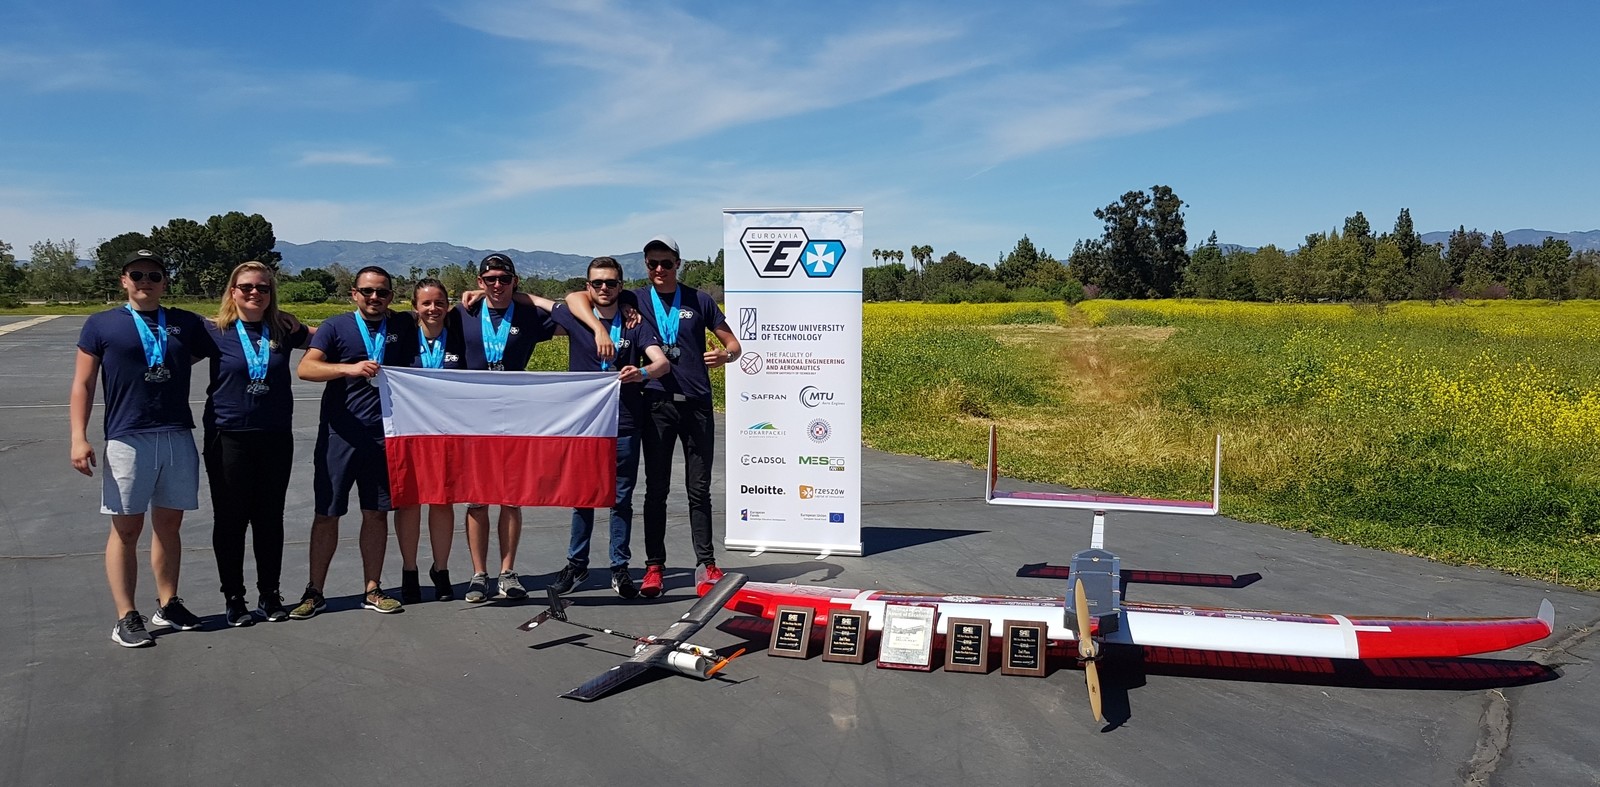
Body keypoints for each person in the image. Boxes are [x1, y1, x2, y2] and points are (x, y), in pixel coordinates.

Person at [565, 235, 741, 598]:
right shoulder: (634, 298)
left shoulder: (699, 300)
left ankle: (706, 563)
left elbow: (734, 345)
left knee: (698, 489)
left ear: (678, 263)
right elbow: (579, 297)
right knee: (656, 489)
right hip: (657, 403)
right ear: (645, 266)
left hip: (697, 403)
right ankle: (654, 566)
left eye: (666, 263)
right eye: (652, 263)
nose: (659, 269)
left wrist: (726, 356)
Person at [70, 249, 219, 647]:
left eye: (154, 275)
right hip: (128, 437)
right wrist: (78, 436)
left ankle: (168, 603)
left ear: (164, 282)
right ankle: (126, 615)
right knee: (126, 529)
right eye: (137, 275)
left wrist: (299, 329)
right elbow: (83, 383)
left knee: (170, 525)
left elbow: (234, 330)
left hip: (176, 434)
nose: (145, 282)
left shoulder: (186, 322)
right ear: (124, 280)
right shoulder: (101, 324)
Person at [292, 266, 417, 617]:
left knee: (376, 514)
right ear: (354, 293)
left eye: (382, 292)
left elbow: (439, 310)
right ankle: (315, 592)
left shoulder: (402, 325)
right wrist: (348, 368)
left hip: (384, 436)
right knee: (327, 514)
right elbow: (306, 368)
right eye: (367, 291)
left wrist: (478, 293)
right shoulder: (335, 326)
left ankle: (372, 589)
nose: (374, 297)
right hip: (341, 435)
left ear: (391, 295)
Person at [545, 257, 671, 598]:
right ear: (588, 286)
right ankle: (577, 564)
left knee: (621, 499)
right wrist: (479, 294)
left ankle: (620, 567)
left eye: (611, 283)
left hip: (625, 422)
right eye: (597, 283)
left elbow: (661, 363)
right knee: (582, 498)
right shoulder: (577, 317)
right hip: (585, 426)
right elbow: (537, 301)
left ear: (620, 286)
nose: (604, 288)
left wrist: (641, 373)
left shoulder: (634, 323)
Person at [202, 262, 312, 626]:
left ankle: (270, 593)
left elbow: (329, 338)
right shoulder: (214, 331)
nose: (255, 293)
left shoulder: (283, 329)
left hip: (274, 436)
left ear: (271, 293)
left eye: (263, 288)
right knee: (230, 519)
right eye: (247, 287)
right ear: (233, 291)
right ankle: (234, 597)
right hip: (228, 436)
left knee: (269, 518)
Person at [454, 254, 557, 603]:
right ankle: (478, 574)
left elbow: (572, 314)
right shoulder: (463, 313)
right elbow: (423, 319)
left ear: (515, 281)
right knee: (477, 500)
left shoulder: (528, 315)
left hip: (515, 416)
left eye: (504, 279)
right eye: (490, 279)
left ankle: (508, 572)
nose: (497, 285)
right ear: (480, 281)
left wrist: (527, 298)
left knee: (511, 499)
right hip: (473, 418)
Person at [393, 278, 465, 603]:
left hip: (448, 431)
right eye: (426, 303)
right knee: (409, 501)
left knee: (442, 501)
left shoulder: (460, 336)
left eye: (439, 302)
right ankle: (409, 570)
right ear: (415, 307)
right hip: (410, 430)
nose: (433, 309)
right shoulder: (402, 336)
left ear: (448, 305)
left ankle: (441, 569)